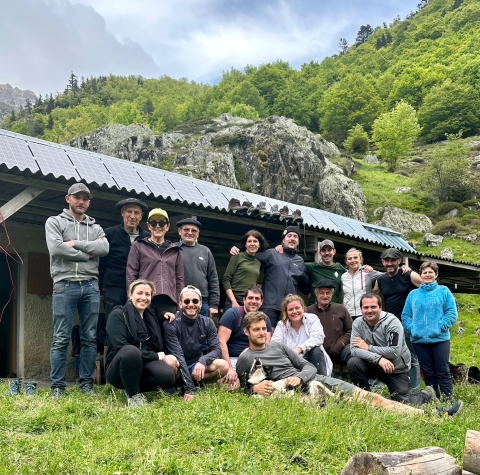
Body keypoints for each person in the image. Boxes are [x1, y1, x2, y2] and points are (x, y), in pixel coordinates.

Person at [236, 311, 461, 416]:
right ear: (246, 332)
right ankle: (430, 414)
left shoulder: (278, 346)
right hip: (294, 394)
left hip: (313, 381)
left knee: (372, 399)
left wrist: (300, 376)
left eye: (264, 328)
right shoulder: (246, 359)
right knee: (366, 406)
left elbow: (310, 367)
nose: (262, 333)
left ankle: (432, 415)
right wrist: (253, 388)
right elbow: (244, 390)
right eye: (256, 330)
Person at [45, 183, 109, 398]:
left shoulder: (97, 227)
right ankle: (57, 386)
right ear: (68, 199)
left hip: (90, 285)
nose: (81, 202)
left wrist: (73, 243)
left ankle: (86, 384)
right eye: (77, 197)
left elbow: (104, 248)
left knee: (89, 337)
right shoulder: (54, 222)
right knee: (61, 337)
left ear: (89, 202)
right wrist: (86, 254)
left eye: (85, 198)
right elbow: (56, 248)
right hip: (64, 284)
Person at [347, 293, 435, 407]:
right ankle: (367, 398)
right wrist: (378, 359)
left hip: (395, 368)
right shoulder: (357, 323)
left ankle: (426, 394)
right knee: (353, 363)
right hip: (374, 364)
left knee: (404, 404)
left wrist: (368, 347)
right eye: (366, 307)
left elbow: (394, 352)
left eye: (373, 307)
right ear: (361, 309)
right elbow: (354, 350)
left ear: (380, 307)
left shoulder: (392, 322)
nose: (369, 310)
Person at [105, 279, 179, 407]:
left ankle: (131, 386)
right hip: (118, 368)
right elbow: (120, 347)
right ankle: (133, 396)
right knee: (130, 350)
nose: (143, 298)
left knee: (167, 376)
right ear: (130, 295)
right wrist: (155, 357)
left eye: (147, 294)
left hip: (142, 364)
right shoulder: (118, 314)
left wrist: (163, 315)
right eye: (139, 293)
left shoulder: (150, 318)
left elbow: (155, 325)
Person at [231, 226, 309, 328]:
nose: (292, 238)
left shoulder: (300, 261)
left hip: (289, 308)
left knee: (286, 339)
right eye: (289, 236)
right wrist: (237, 250)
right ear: (283, 239)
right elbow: (250, 257)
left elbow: (303, 283)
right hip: (269, 305)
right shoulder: (272, 253)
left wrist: (310, 292)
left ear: (298, 241)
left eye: (295, 237)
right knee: (268, 336)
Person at [402, 262, 459, 401]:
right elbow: (406, 315)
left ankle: (448, 398)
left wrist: (441, 326)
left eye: (430, 272)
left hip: (440, 339)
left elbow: (452, 312)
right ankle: (433, 398)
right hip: (419, 340)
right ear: (420, 275)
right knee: (428, 372)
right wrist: (412, 329)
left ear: (436, 274)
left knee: (443, 370)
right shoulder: (413, 294)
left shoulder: (443, 291)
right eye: (424, 272)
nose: (427, 275)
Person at [163, 285, 229, 400]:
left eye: (195, 301)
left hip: (196, 365)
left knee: (223, 366)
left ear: (200, 303)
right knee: (169, 361)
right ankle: (177, 386)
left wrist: (202, 361)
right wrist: (190, 389)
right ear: (180, 304)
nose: (191, 304)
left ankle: (196, 383)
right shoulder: (171, 323)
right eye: (186, 301)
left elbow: (217, 349)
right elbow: (179, 356)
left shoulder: (208, 322)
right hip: (177, 367)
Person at [373, 248, 423, 393]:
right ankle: (397, 387)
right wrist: (367, 270)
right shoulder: (381, 279)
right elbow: (371, 293)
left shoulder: (408, 275)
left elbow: (428, 286)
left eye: (392, 260)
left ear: (399, 261)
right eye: (386, 261)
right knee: (392, 354)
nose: (389, 263)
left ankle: (414, 390)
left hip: (409, 322)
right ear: (382, 262)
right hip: (391, 323)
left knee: (411, 357)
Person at [126, 208, 184, 321]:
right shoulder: (138, 245)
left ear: (167, 226)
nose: (158, 226)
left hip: (169, 301)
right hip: (145, 298)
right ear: (148, 226)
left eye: (162, 223)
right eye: (153, 223)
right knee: (147, 334)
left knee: (167, 335)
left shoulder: (175, 250)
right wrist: (131, 297)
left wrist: (179, 304)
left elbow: (180, 279)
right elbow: (131, 273)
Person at [99, 198, 150, 317]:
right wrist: (101, 286)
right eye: (129, 211)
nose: (132, 216)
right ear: (122, 213)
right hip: (114, 287)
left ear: (141, 216)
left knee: (137, 323)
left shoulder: (147, 238)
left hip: (140, 289)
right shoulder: (109, 234)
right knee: (113, 322)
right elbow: (101, 262)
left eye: (136, 213)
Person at [218, 285, 272, 386]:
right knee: (231, 386)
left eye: (257, 299)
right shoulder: (232, 314)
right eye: (250, 298)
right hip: (232, 359)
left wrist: (249, 351)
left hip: (255, 359)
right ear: (244, 300)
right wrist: (229, 369)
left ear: (261, 302)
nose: (253, 301)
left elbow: (266, 343)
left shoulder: (265, 319)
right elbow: (221, 341)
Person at [272, 294, 332, 375]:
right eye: (290, 309)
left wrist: (300, 349)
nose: (294, 311)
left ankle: (322, 382)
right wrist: (290, 354)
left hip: (312, 359)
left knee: (316, 350)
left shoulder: (312, 319)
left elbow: (318, 337)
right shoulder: (281, 325)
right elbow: (275, 344)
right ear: (286, 312)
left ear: (303, 308)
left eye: (297, 308)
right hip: (291, 362)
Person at [175, 218, 220, 318]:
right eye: (186, 229)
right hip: (178, 301)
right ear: (179, 231)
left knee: (202, 332)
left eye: (194, 230)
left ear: (198, 234)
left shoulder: (205, 251)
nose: (190, 233)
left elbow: (213, 279)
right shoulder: (173, 249)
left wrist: (214, 304)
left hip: (201, 302)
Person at [305, 279, 352, 365]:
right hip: (317, 353)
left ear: (332, 294)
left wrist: (340, 344)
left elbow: (350, 330)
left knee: (354, 353)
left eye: (328, 293)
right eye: (321, 293)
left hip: (340, 351)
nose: (325, 296)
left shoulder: (341, 308)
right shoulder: (308, 311)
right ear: (316, 294)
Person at [222, 229, 268, 310]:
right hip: (235, 298)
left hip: (250, 300)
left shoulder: (258, 262)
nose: (252, 244)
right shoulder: (237, 256)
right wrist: (233, 301)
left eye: (255, 241)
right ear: (245, 244)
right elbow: (226, 280)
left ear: (259, 244)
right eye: (249, 241)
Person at [305, 239, 346, 304]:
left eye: (329, 250)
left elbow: (353, 276)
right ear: (320, 253)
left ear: (334, 251)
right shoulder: (313, 267)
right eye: (324, 250)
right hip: (315, 309)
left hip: (333, 309)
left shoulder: (339, 268)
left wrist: (366, 268)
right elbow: (295, 266)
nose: (326, 253)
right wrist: (306, 290)